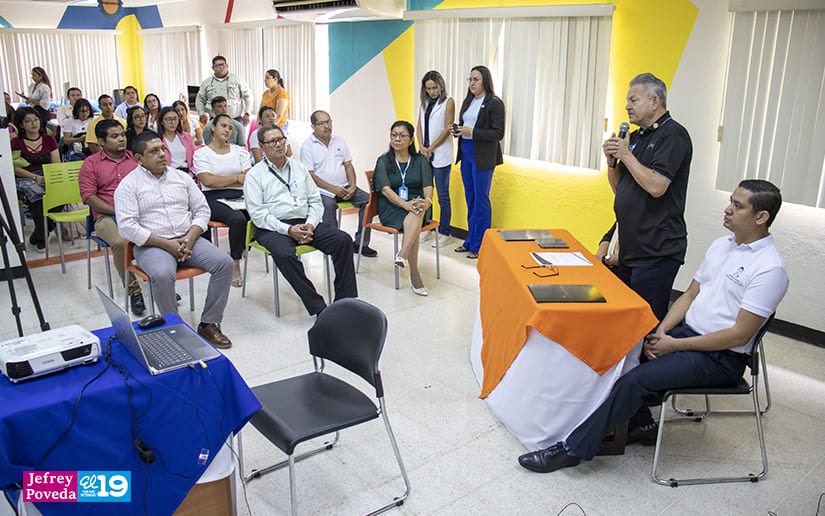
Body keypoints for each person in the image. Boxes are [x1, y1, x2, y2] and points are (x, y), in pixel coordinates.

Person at [517, 180, 789, 475]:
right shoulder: (722, 245)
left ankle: (572, 450)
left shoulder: (769, 269)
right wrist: (661, 331)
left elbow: (740, 335)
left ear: (761, 217)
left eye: (738, 206)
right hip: (684, 335)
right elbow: (689, 295)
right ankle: (642, 424)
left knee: (633, 380)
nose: (728, 210)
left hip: (719, 358)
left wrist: (675, 345)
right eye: (730, 202)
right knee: (620, 349)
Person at [114, 131, 234, 349]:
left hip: (188, 240)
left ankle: (209, 323)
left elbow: (202, 210)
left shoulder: (182, 178)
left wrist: (190, 237)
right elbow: (127, 227)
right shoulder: (128, 185)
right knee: (162, 274)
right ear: (139, 158)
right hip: (153, 245)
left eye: (162, 149)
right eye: (153, 151)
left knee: (224, 263)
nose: (162, 154)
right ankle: (175, 328)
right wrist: (167, 244)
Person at [602, 73, 693, 321]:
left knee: (645, 322)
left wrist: (626, 155)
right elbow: (621, 189)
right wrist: (611, 161)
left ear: (654, 101)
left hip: (656, 249)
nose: (627, 106)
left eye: (634, 100)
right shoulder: (636, 137)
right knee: (624, 319)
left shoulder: (673, 135)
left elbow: (656, 186)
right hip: (631, 247)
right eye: (627, 101)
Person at [244, 124, 357, 316]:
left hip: (305, 222)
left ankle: (345, 301)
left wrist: (310, 225)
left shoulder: (298, 167)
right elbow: (258, 215)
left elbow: (315, 201)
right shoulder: (255, 175)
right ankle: (318, 308)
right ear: (261, 147)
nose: (278, 144)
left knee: (343, 240)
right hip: (273, 227)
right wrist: (288, 230)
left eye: (281, 139)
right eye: (272, 142)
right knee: (284, 254)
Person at [78, 119, 146, 316]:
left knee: (160, 233)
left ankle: (160, 281)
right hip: (106, 216)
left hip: (140, 213)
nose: (121, 139)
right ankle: (133, 291)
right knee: (120, 242)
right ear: (101, 141)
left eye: (122, 135)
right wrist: (119, 211)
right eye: (114, 136)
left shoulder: (136, 159)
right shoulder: (91, 164)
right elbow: (89, 197)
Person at [300, 110, 376, 257]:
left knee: (368, 201)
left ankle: (361, 244)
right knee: (329, 205)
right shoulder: (307, 146)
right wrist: (333, 189)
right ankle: (334, 245)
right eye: (321, 123)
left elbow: (348, 165)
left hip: (344, 187)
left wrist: (353, 186)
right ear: (313, 126)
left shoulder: (340, 141)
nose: (326, 126)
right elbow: (310, 175)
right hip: (321, 190)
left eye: (328, 121)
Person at [372, 120, 434, 296]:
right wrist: (405, 204)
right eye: (394, 135)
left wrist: (427, 201)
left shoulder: (420, 161)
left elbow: (428, 185)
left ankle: (403, 254)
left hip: (416, 204)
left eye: (402, 135)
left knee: (418, 210)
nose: (397, 139)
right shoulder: (383, 161)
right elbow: (385, 190)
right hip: (392, 206)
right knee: (416, 213)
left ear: (411, 139)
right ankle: (414, 272)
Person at [450, 65, 505, 260]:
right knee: (471, 199)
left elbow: (498, 133)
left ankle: (480, 245)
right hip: (466, 154)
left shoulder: (494, 103)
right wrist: (458, 130)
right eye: (470, 79)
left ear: (485, 81)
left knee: (481, 201)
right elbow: (466, 126)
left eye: (476, 79)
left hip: (483, 157)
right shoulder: (468, 101)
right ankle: (470, 240)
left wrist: (472, 132)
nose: (472, 83)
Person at [193, 113, 251, 288]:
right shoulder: (202, 153)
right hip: (213, 197)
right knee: (237, 219)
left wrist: (225, 180)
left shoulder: (239, 151)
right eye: (223, 126)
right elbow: (208, 181)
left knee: (256, 213)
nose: (227, 130)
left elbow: (249, 178)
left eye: (230, 128)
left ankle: (242, 248)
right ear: (213, 127)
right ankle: (235, 262)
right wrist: (236, 178)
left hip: (238, 195)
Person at [11, 107, 60, 252]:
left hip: (48, 175)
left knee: (62, 195)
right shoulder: (16, 142)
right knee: (37, 194)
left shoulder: (49, 139)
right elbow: (14, 167)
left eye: (36, 120)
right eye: (28, 121)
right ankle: (42, 237)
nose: (33, 123)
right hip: (26, 177)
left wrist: (48, 178)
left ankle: (38, 235)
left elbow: (56, 163)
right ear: (21, 124)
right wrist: (36, 177)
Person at [416, 70, 455, 248]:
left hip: (440, 155)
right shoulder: (424, 103)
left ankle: (445, 232)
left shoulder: (448, 102)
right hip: (424, 154)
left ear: (441, 86)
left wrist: (431, 148)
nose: (432, 92)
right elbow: (419, 127)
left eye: (434, 88)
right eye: (428, 88)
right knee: (426, 194)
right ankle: (426, 228)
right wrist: (422, 147)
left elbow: (448, 129)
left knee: (443, 196)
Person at [196, 55, 252, 126]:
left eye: (222, 64)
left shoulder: (237, 80)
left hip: (235, 119)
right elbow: (200, 99)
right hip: (215, 120)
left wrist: (247, 113)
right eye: (217, 65)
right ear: (213, 68)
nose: (220, 67)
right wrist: (201, 113)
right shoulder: (207, 83)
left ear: (227, 66)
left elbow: (248, 96)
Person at [158, 106, 196, 177]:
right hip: (167, 175)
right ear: (162, 122)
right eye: (168, 119)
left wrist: (192, 173)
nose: (172, 122)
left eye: (175, 119)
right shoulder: (158, 140)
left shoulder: (186, 137)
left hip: (187, 173)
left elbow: (195, 158)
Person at [16, 66, 51, 132]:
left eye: (34, 75)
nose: (32, 77)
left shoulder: (44, 87)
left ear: (40, 76)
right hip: (33, 109)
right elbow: (32, 99)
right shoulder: (32, 86)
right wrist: (27, 99)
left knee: (40, 130)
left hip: (41, 111)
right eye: (32, 75)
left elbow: (45, 103)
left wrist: (31, 100)